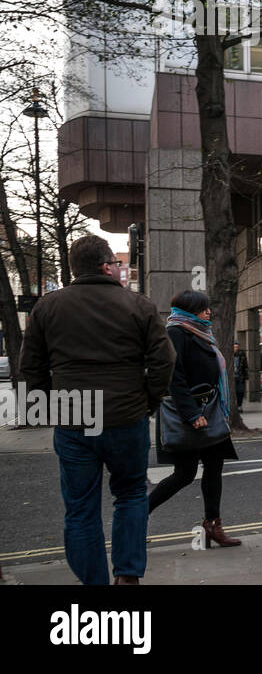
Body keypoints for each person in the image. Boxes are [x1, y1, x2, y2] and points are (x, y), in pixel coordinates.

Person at [19, 234, 174, 585]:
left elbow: (30, 366)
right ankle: (128, 576)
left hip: (73, 420)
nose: (120, 269)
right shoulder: (138, 305)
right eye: (118, 264)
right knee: (132, 494)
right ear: (106, 266)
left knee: (80, 509)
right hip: (126, 417)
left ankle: (94, 582)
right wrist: (149, 400)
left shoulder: (47, 307)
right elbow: (164, 360)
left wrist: (48, 406)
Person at [147, 290, 242, 548]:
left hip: (209, 410)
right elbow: (173, 376)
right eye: (203, 308)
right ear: (189, 310)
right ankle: (138, 514)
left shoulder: (200, 331)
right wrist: (191, 414)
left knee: (214, 468)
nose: (208, 312)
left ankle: (213, 525)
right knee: (184, 474)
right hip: (191, 414)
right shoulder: (176, 332)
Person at [232, 342, 247, 410]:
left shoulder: (242, 354)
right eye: (234, 347)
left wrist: (246, 375)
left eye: (237, 347)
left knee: (240, 391)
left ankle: (239, 405)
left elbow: (245, 365)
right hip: (232, 377)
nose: (236, 349)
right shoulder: (229, 355)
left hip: (240, 376)